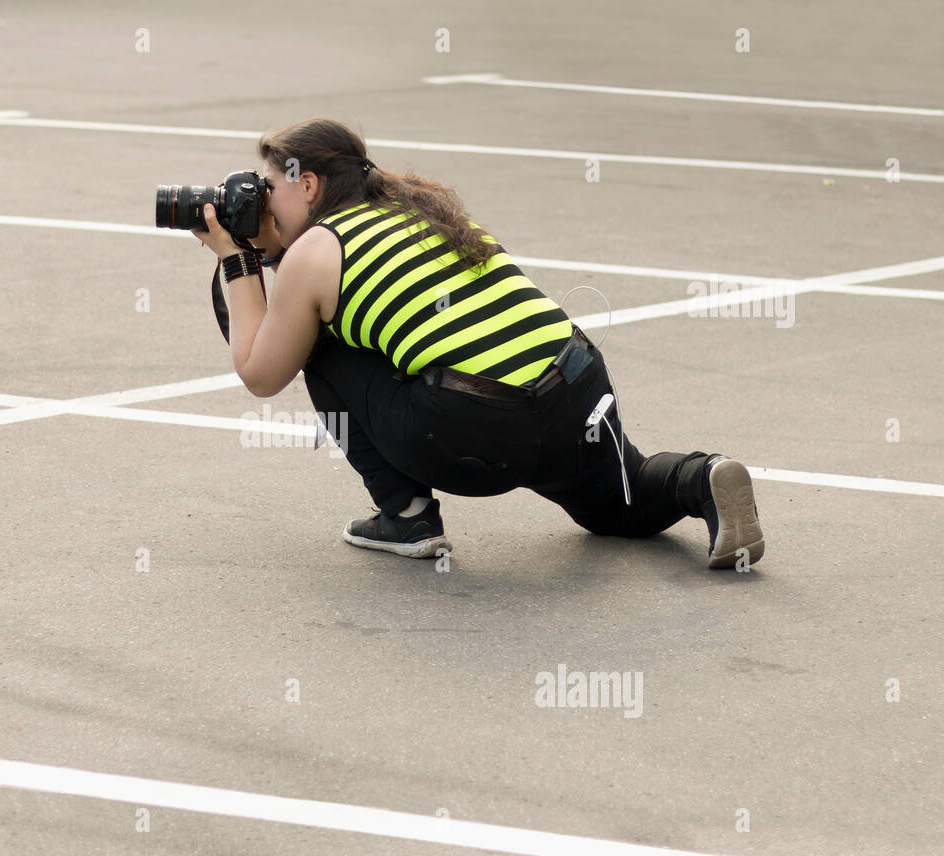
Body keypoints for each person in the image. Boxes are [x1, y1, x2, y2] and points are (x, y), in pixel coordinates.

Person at [192, 117, 764, 569]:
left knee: (321, 349)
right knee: (624, 503)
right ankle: (702, 476)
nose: (259, 203)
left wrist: (237, 258)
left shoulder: (318, 248)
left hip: (477, 428)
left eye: (268, 188)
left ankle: (407, 516)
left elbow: (263, 373)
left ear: (308, 183)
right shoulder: (421, 209)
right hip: (576, 387)